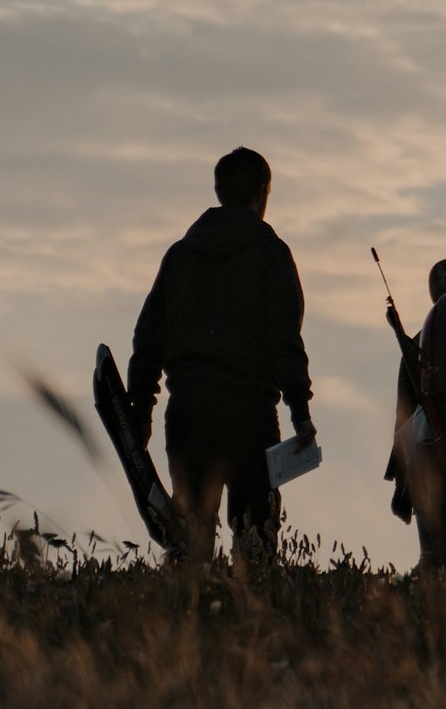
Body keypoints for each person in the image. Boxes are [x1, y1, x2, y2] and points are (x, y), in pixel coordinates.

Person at [127, 147, 315, 565]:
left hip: (188, 410)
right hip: (249, 415)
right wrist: (300, 410)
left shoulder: (180, 256)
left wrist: (140, 411)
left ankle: (185, 622)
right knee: (255, 538)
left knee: (190, 536)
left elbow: (148, 338)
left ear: (219, 190)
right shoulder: (271, 255)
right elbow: (285, 339)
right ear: (262, 194)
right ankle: (250, 623)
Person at [384, 258, 446, 573]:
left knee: (434, 560)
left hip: (430, 458)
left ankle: (422, 613)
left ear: (432, 293)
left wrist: (401, 480)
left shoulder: (419, 343)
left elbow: (404, 420)